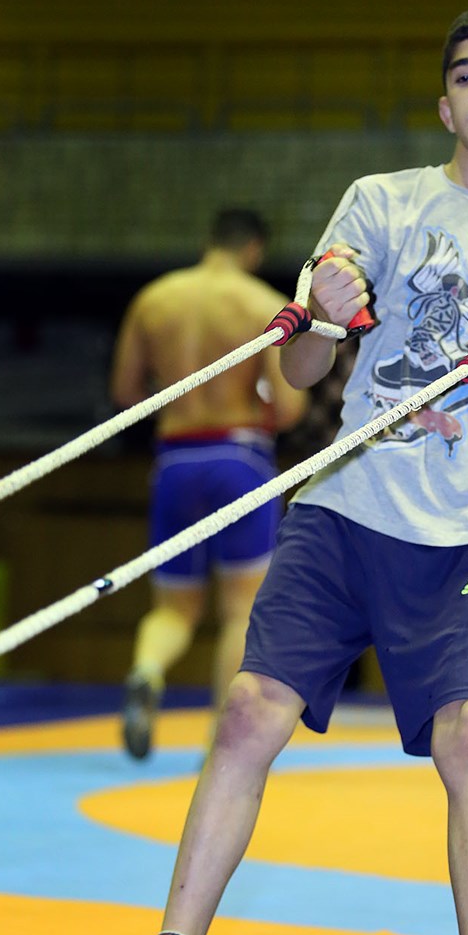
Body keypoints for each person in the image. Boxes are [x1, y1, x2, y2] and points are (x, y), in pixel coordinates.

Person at [79, 4, 468, 935]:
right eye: (465, 75)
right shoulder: (381, 202)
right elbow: (296, 375)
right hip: (345, 503)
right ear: (444, 104)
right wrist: (326, 320)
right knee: (249, 707)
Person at [110, 209, 308, 759]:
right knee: (241, 609)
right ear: (254, 250)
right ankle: (221, 739)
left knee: (173, 608)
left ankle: (147, 670)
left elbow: (125, 391)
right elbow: (289, 407)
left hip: (175, 459)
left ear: (209, 241)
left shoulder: (154, 299)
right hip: (239, 458)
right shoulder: (260, 303)